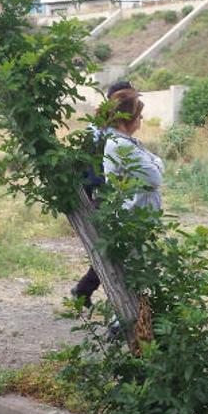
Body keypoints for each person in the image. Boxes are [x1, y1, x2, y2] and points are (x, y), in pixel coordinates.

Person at [70, 81, 139, 308]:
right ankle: (93, 294)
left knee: (110, 249)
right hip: (106, 197)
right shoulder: (110, 134)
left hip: (100, 195)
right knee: (115, 250)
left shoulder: (97, 129)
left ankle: (84, 290)